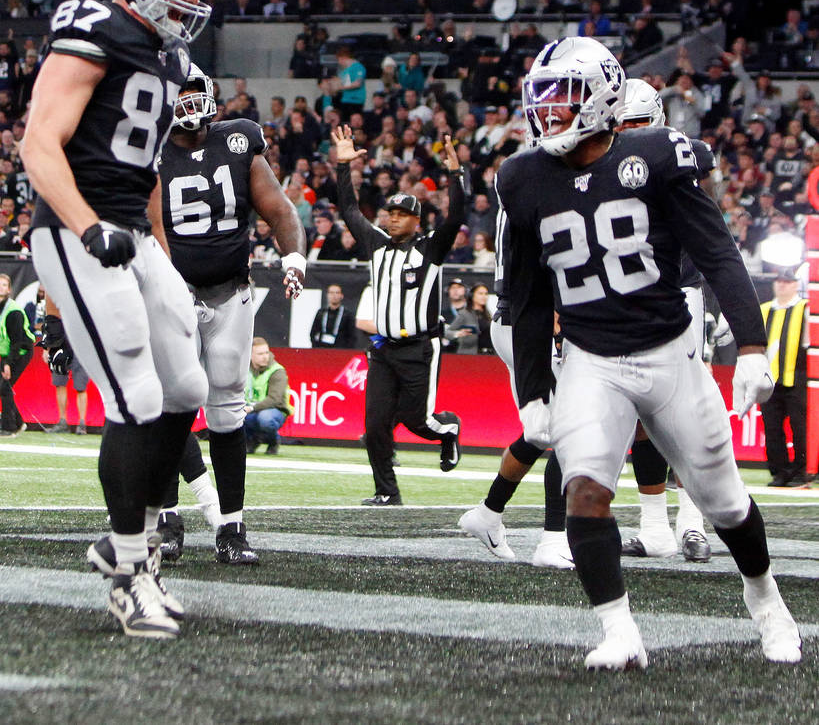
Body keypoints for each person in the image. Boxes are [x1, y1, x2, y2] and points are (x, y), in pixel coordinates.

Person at [498, 36, 800, 670]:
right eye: (543, 98)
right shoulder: (522, 177)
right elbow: (526, 298)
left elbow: (718, 252)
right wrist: (531, 391)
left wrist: (750, 344)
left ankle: (765, 598)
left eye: (564, 97)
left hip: (670, 353)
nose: (549, 112)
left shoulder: (657, 156)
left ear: (602, 97)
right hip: (590, 357)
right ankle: (619, 632)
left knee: (724, 502)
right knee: (585, 490)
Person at [23, 0, 214, 639]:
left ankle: (126, 543)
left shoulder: (167, 58)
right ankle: (131, 569)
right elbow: (41, 141)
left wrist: (152, 243)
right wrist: (85, 223)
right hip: (79, 231)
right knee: (134, 394)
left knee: (186, 388)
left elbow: (147, 170)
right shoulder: (96, 25)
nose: (192, 4)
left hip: (129, 230)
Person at [155, 63, 306, 563]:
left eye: (195, 90)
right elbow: (153, 228)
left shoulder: (238, 140)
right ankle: (166, 516)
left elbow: (280, 209)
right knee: (170, 403)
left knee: (226, 406)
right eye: (179, 93)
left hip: (230, 295)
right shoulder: (152, 152)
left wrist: (294, 257)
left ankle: (232, 528)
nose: (189, 101)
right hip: (175, 294)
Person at [332, 124, 464, 505]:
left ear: (416, 221)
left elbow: (455, 218)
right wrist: (344, 167)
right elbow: (349, 209)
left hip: (420, 348)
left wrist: (456, 175)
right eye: (390, 212)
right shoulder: (377, 244)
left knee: (417, 421)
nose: (392, 218)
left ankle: (449, 429)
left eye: (401, 214)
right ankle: (387, 492)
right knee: (374, 427)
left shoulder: (430, 249)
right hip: (384, 350)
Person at [614, 80, 713, 564]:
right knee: (639, 417)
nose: (627, 134)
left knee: (684, 413)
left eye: (636, 124)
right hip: (626, 300)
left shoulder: (678, 162)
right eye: (621, 125)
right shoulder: (606, 162)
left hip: (677, 296)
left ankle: (692, 523)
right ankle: (653, 528)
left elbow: (702, 154)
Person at [459, 184, 572, 569]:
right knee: (566, 430)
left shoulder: (525, 188)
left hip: (516, 319)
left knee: (540, 431)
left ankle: (489, 513)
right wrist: (558, 315)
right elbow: (551, 260)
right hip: (530, 319)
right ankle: (553, 539)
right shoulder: (542, 190)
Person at [760, 270, 810, 488]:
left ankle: (801, 470)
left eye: (787, 281)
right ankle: (779, 471)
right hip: (770, 378)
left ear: (795, 284)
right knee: (772, 428)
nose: (782, 285)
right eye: (779, 281)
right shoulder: (764, 310)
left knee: (801, 426)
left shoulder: (805, 308)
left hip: (798, 376)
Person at [40, 307, 88, 434]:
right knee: (59, 384)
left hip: (81, 347)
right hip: (60, 346)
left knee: (81, 387)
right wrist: (46, 348)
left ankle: (82, 423)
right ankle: (62, 421)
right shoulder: (58, 298)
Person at [244, 336, 292, 454]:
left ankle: (272, 441)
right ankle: (250, 441)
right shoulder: (244, 369)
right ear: (250, 355)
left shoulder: (277, 371)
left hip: (275, 411)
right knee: (234, 416)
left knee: (265, 419)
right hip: (251, 410)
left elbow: (274, 399)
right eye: (260, 354)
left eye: (266, 352)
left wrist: (251, 408)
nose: (265, 356)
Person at [0, 272, 33, 437]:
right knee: (4, 387)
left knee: (4, 386)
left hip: (21, 351)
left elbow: (17, 341)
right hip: (6, 353)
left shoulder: (13, 311)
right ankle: (18, 423)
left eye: (4, 285)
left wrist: (7, 363)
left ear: (9, 290)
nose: (1, 287)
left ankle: (9, 426)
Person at [310, 283, 357, 349]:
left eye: (337, 293)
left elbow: (352, 337)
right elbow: (313, 333)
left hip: (340, 351)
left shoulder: (347, 315)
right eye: (331, 293)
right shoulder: (321, 313)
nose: (334, 296)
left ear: (341, 296)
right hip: (322, 350)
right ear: (327, 295)